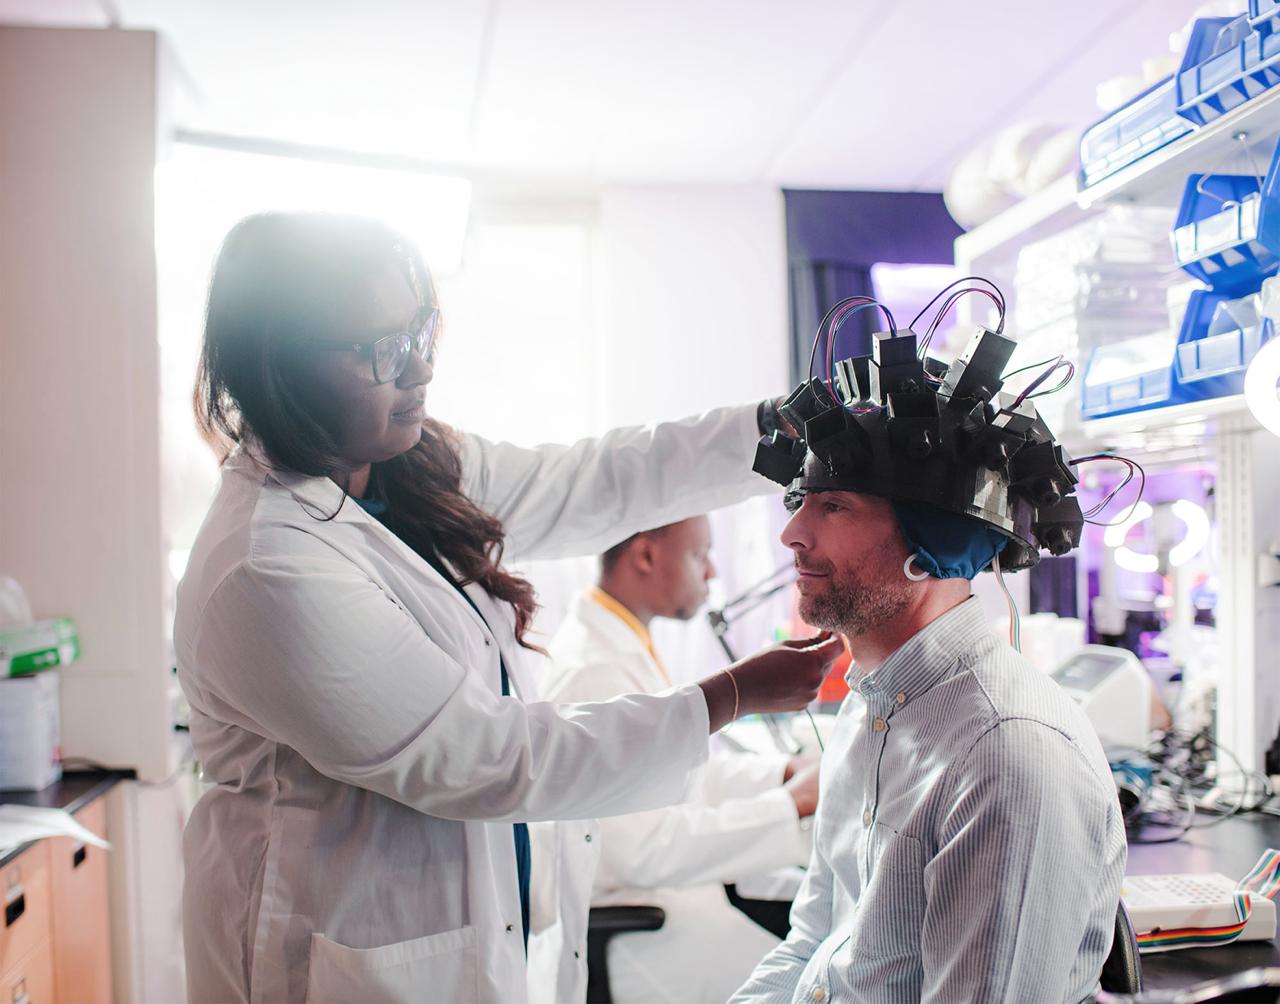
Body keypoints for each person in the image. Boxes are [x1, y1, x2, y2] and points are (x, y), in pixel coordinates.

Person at [174, 211, 844, 1004]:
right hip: (336, 954)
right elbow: (486, 759)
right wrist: (732, 694)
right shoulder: (266, 565)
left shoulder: (403, 468)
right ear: (279, 367)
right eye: (382, 350)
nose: (420, 368)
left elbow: (595, 479)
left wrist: (786, 431)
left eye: (421, 332)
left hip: (466, 928)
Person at [733, 321, 1127, 1002]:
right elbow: (811, 947)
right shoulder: (869, 712)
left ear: (933, 544)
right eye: (801, 502)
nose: (792, 533)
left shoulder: (1005, 758)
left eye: (833, 506)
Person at [544, 516, 820, 1003]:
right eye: (699, 555)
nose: (712, 571)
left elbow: (675, 775)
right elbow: (642, 850)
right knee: (820, 985)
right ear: (646, 555)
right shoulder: (596, 670)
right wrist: (789, 806)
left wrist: (779, 775)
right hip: (645, 932)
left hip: (675, 902)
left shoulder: (622, 644)